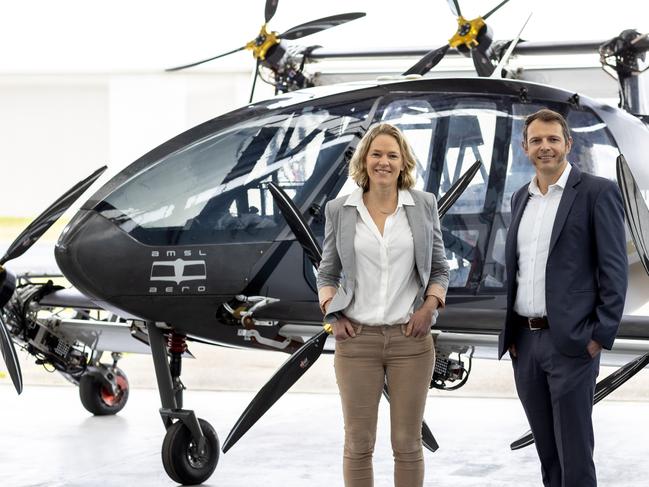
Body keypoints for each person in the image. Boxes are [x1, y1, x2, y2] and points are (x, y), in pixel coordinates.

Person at [499, 108, 628, 487]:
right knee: (547, 454)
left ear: (568, 144)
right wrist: (516, 338)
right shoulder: (519, 198)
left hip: (571, 344)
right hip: (525, 342)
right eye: (536, 140)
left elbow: (614, 272)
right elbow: (519, 270)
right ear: (525, 148)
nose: (545, 147)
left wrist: (598, 336)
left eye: (553, 139)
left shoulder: (596, 192)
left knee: (574, 454)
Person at [316, 123, 449, 487]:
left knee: (407, 443)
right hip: (357, 342)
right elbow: (327, 272)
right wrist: (332, 314)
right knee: (359, 443)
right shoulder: (339, 210)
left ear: (404, 162)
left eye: (392, 155)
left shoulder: (423, 205)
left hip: (411, 342)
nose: (384, 162)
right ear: (364, 160)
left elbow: (439, 268)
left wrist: (429, 308)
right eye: (376, 154)